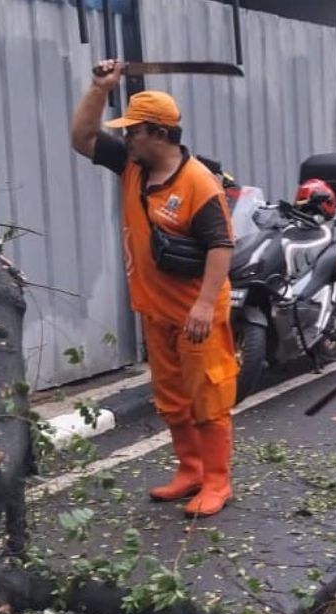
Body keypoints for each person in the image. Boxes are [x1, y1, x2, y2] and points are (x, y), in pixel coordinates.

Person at [70, 60, 238, 518]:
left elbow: (221, 245)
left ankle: (218, 482)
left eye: (134, 132)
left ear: (160, 135)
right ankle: (191, 470)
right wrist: (99, 88)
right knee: (171, 397)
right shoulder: (133, 167)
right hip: (156, 311)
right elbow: (82, 138)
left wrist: (205, 304)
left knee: (208, 396)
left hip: (195, 315)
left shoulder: (198, 183)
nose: (126, 139)